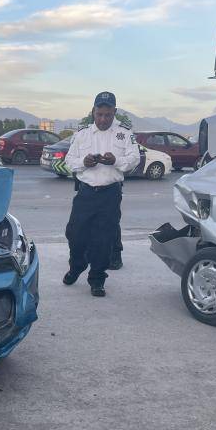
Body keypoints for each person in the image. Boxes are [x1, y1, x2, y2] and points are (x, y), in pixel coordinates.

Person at [62, 91, 140, 297]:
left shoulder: (124, 133)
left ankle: (97, 279)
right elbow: (69, 160)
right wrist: (84, 162)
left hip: (110, 195)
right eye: (99, 114)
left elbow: (135, 158)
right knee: (75, 234)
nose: (103, 119)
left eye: (108, 115)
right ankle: (77, 266)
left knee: (103, 239)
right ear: (93, 112)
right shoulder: (82, 134)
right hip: (86, 193)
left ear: (114, 112)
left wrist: (116, 161)